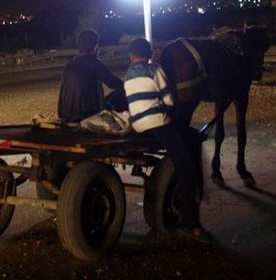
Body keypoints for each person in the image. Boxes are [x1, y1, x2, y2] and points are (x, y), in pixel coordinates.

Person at [124, 37, 214, 244]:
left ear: (130, 56)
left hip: (138, 125)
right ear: (151, 55)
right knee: (186, 165)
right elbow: (169, 100)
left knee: (190, 136)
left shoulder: (128, 75)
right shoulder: (155, 69)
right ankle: (190, 222)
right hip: (158, 123)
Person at [57, 29, 124, 123]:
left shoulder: (70, 64)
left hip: (65, 113)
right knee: (122, 94)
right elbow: (114, 83)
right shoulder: (93, 62)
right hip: (87, 113)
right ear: (95, 47)